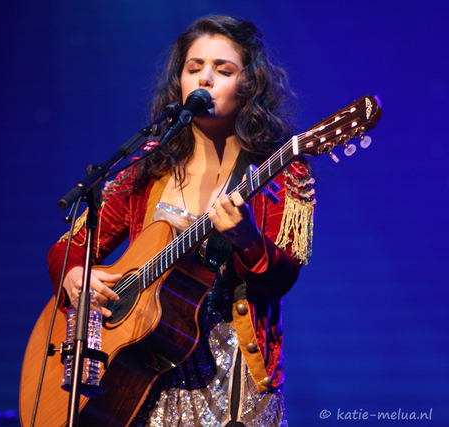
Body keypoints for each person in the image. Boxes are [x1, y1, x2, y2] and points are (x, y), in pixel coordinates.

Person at [47, 14, 315, 427]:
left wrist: (248, 239)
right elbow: (69, 248)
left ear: (249, 86)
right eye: (194, 68)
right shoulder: (148, 166)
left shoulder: (280, 172)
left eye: (223, 70)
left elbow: (283, 277)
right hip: (139, 375)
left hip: (234, 379)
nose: (205, 79)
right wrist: (74, 274)